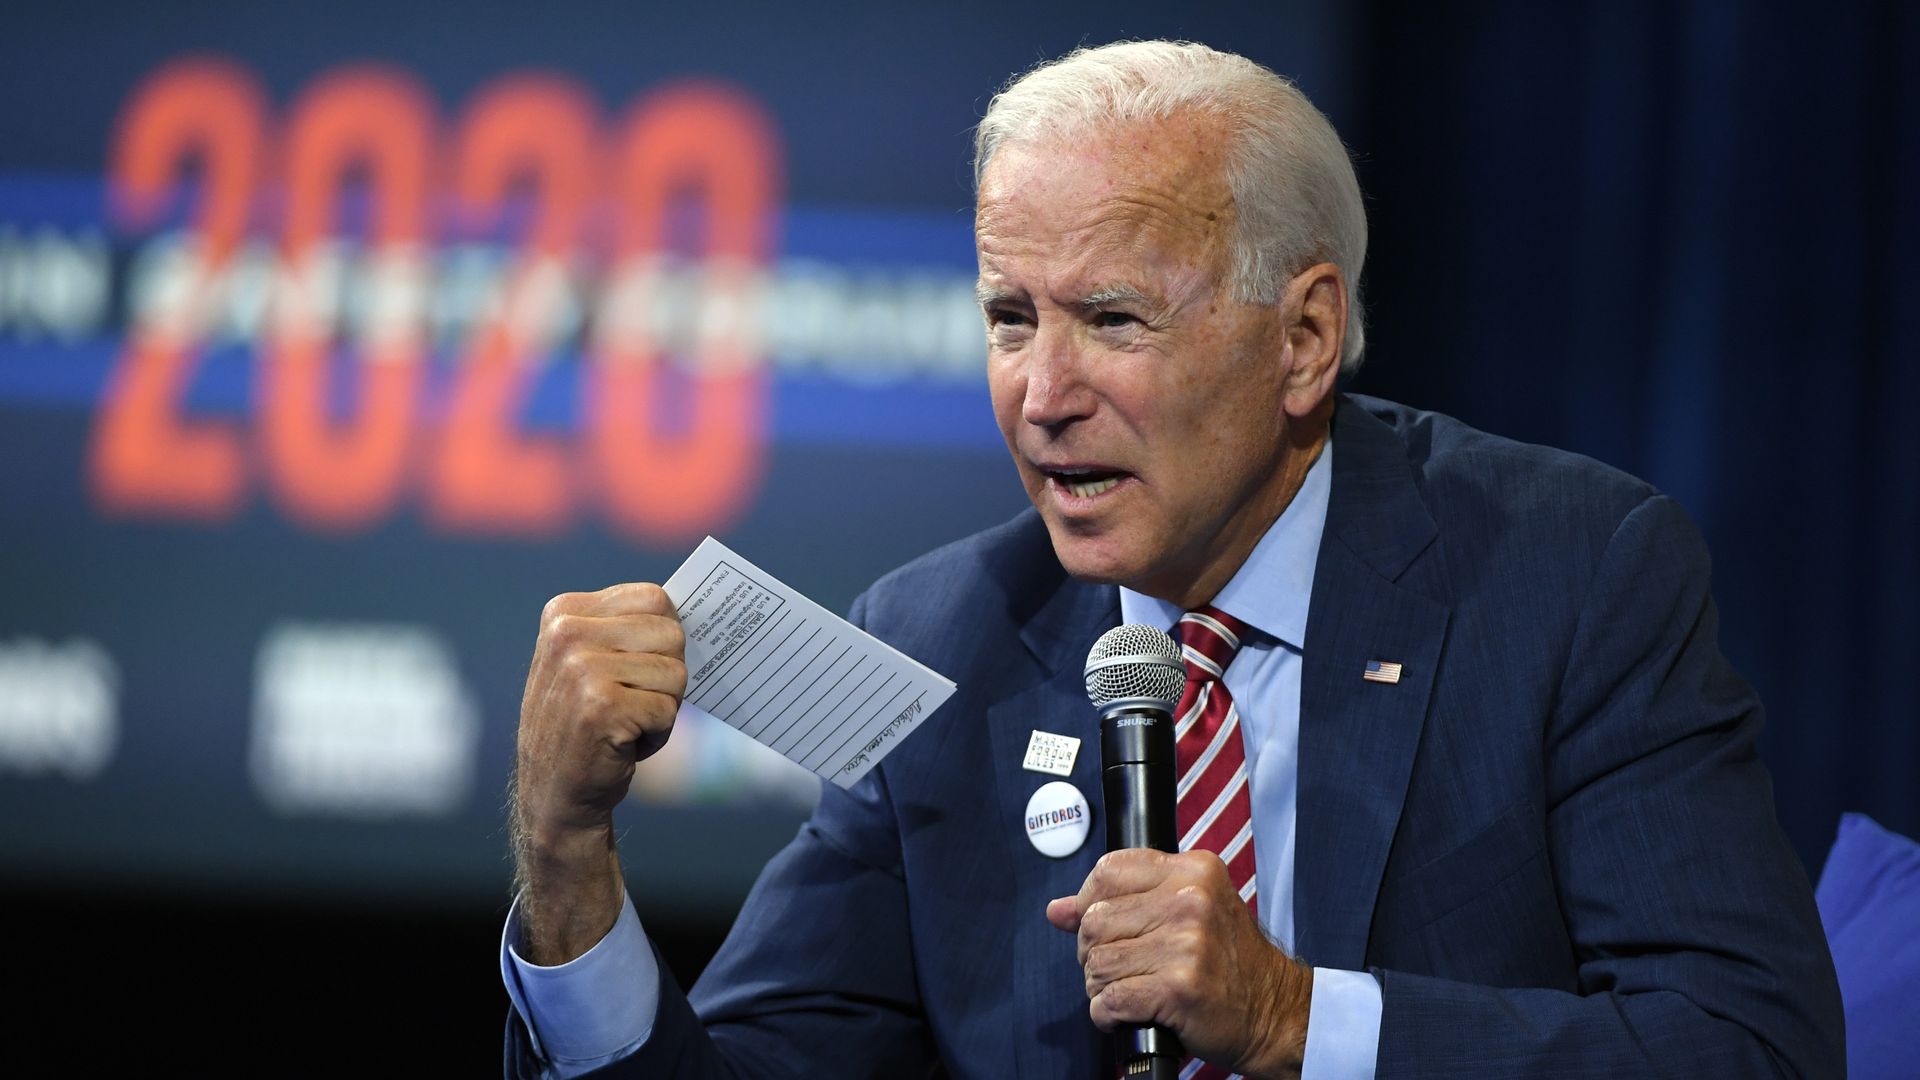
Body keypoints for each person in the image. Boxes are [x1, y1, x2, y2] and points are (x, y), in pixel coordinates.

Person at [501, 40, 1843, 1078]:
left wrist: (1293, 1017)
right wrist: (565, 861)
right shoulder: (943, 641)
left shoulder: (1572, 577)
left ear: (1303, 339)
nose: (1043, 391)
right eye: (1010, 316)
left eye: (1113, 318)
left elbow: (1748, 1047)